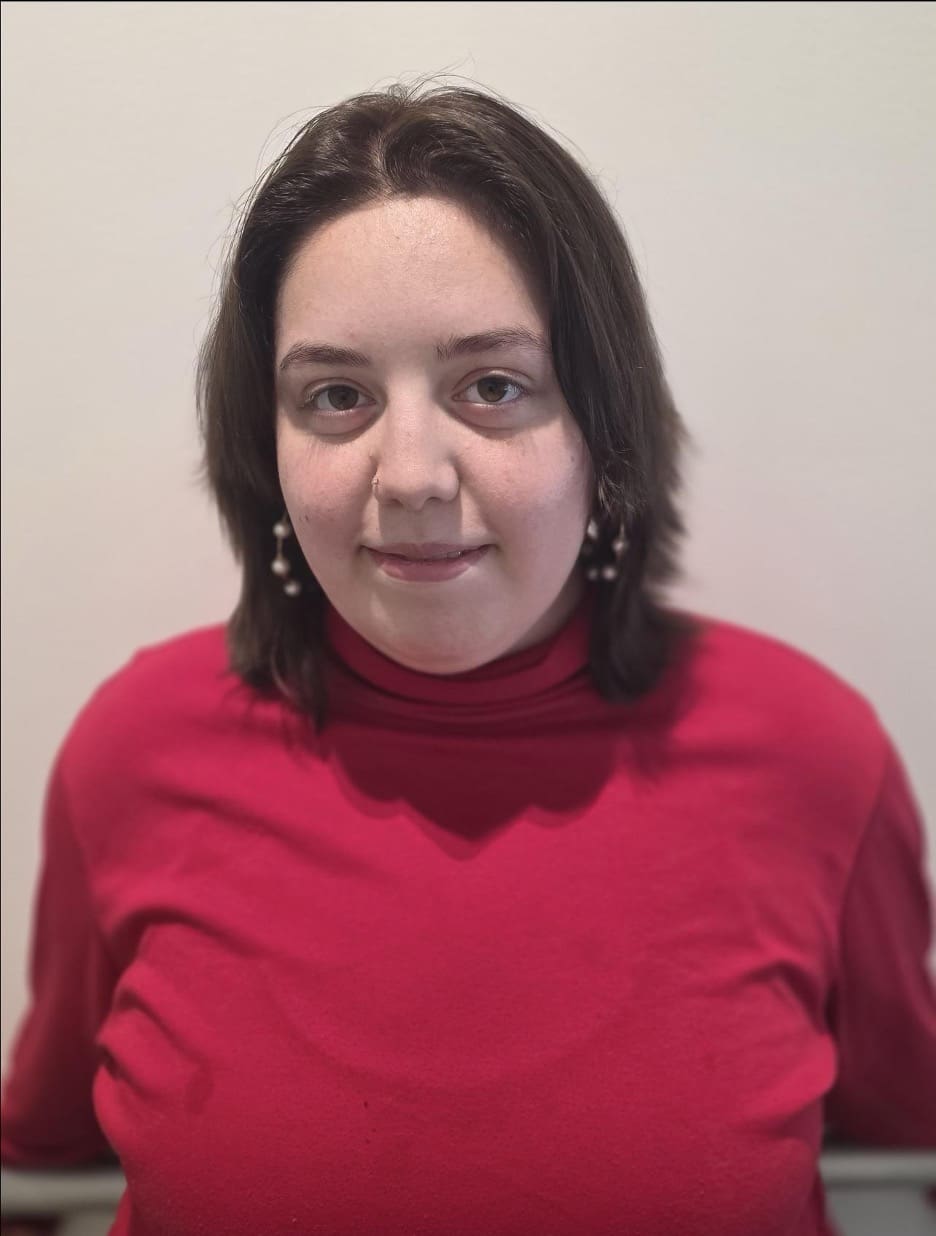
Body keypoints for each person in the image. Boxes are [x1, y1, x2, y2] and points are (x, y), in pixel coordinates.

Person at [1, 79, 934, 1236]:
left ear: (604, 425)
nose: (411, 478)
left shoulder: (811, 756)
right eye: (336, 396)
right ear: (267, 444)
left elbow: (908, 1138)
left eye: (492, 387)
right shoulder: (132, 752)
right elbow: (40, 1159)